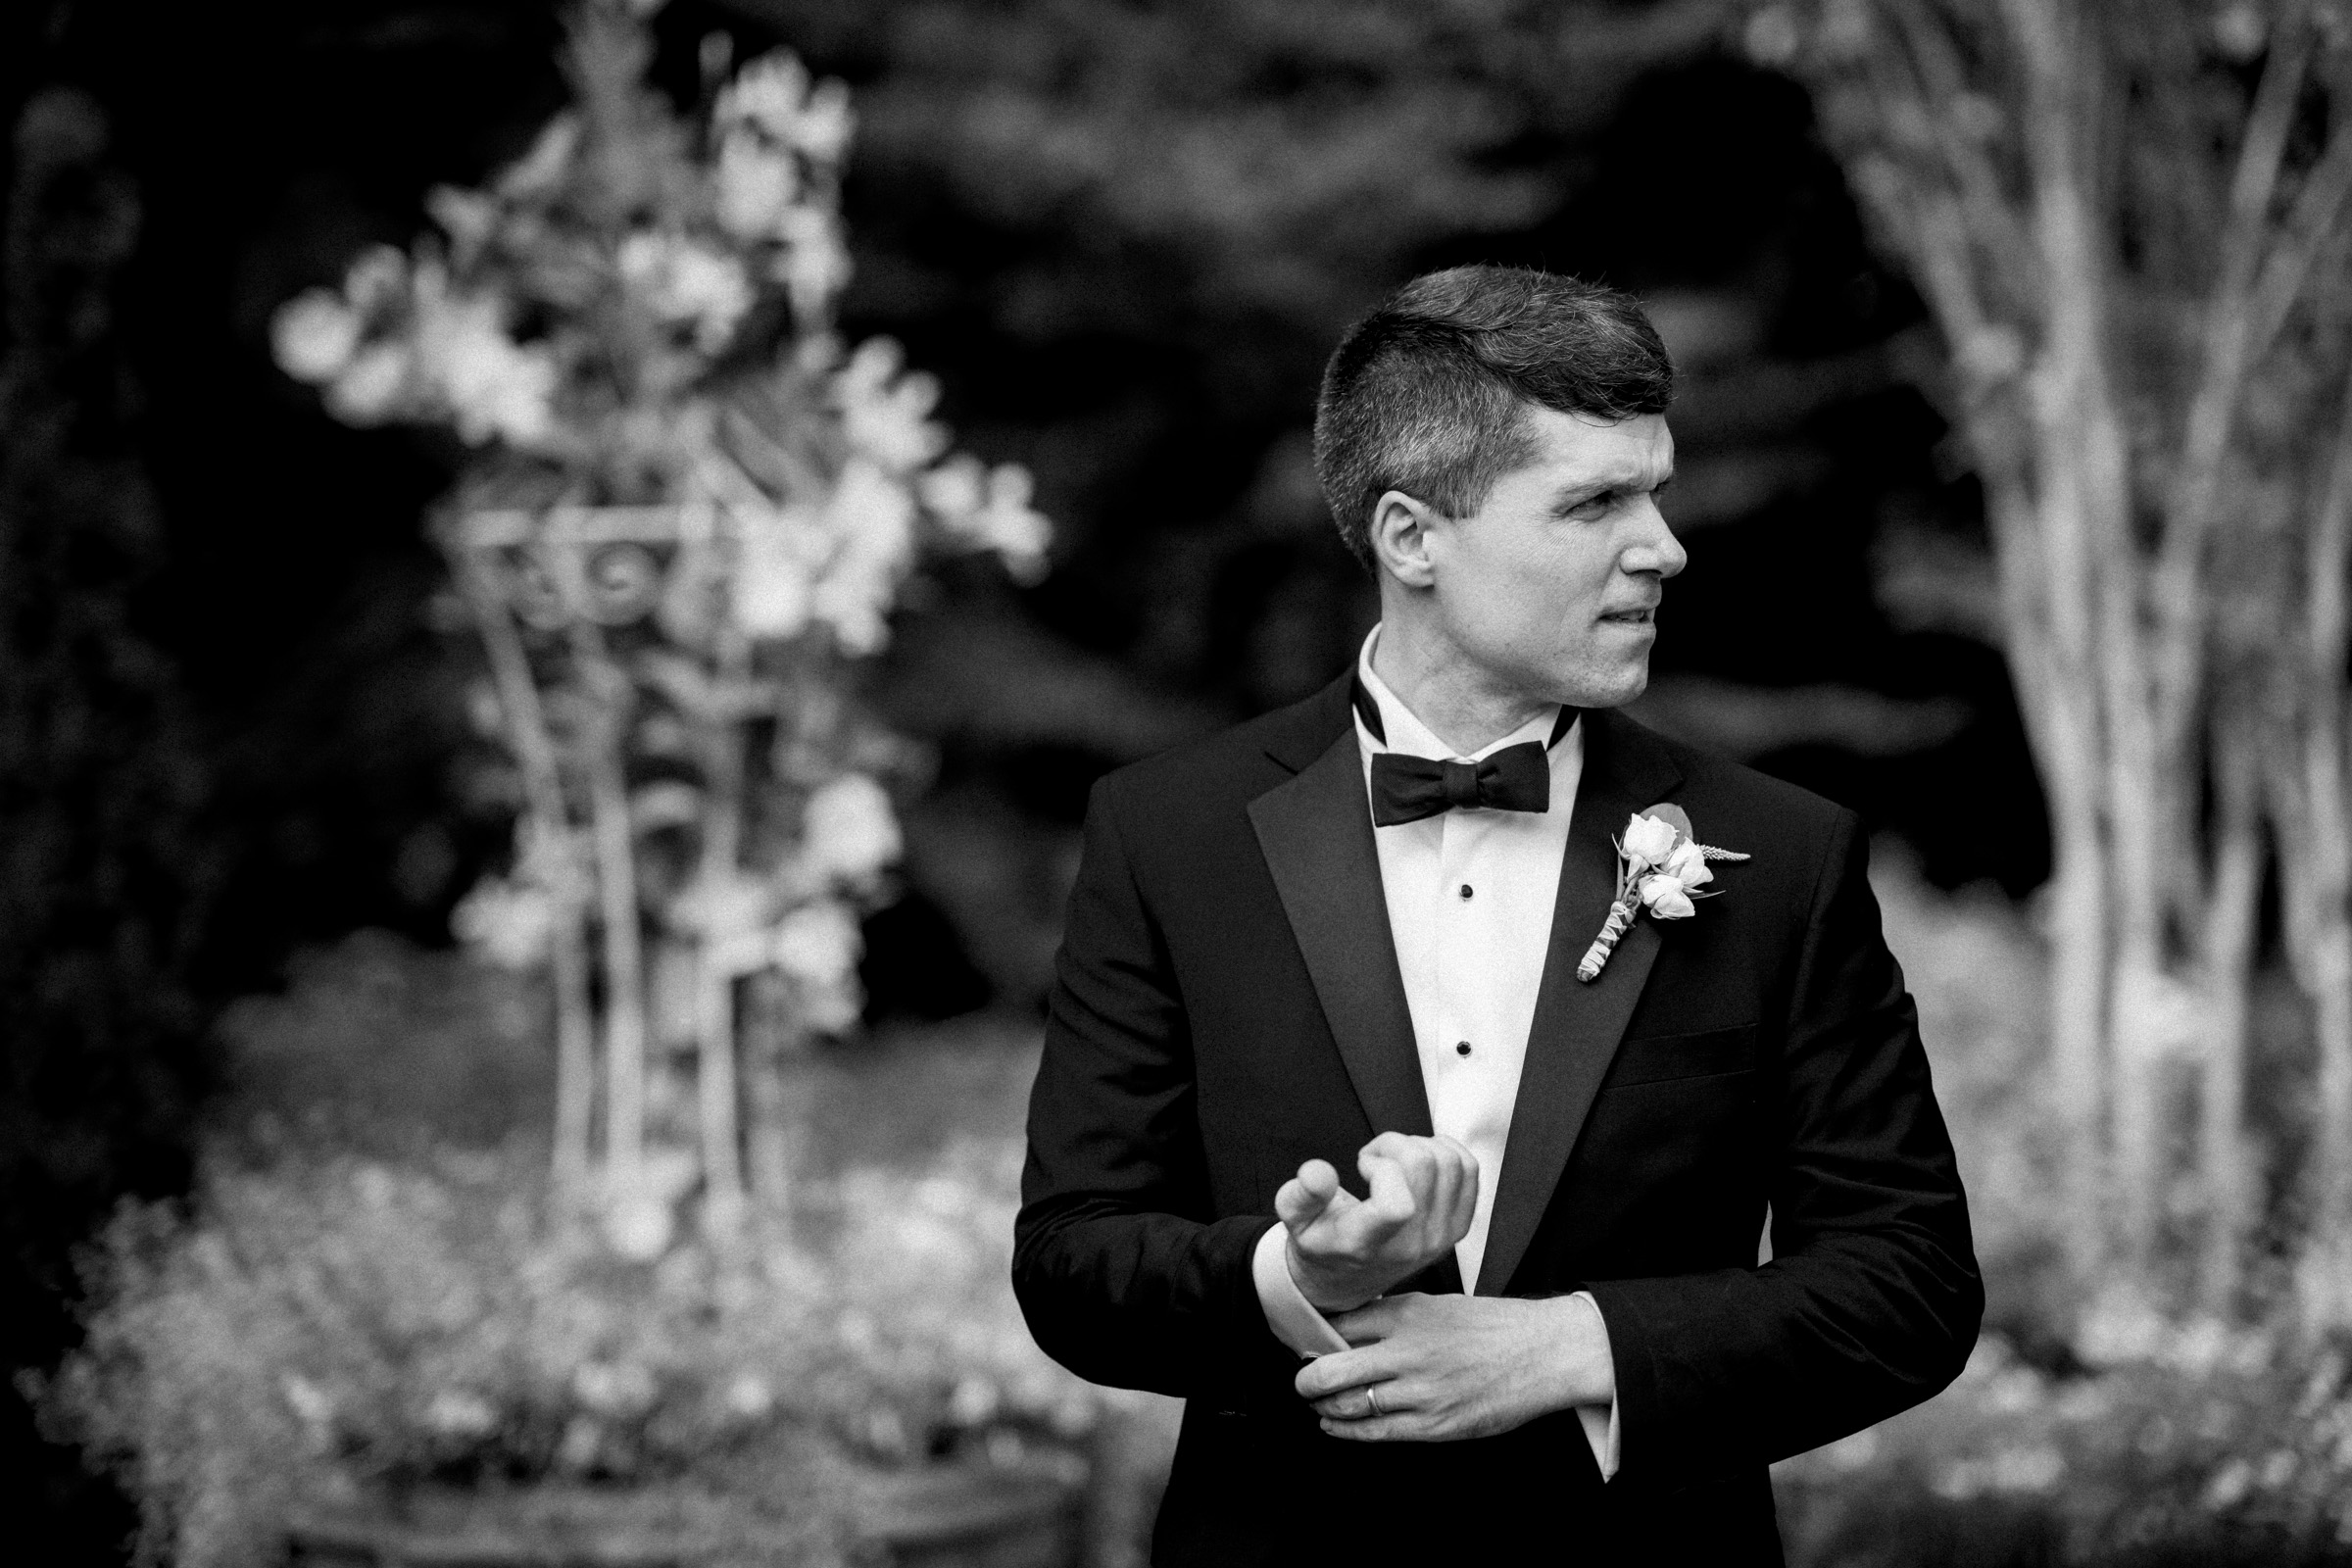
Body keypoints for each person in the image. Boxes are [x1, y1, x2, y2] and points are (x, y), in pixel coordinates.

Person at [1012, 265, 1981, 1564]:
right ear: (1413, 538)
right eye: (1594, 502)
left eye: (1657, 490)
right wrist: (1304, 1278)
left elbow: (1908, 1286)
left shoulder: (1782, 856)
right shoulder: (1169, 836)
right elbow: (1075, 1268)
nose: (1663, 546)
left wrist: (1564, 1348)